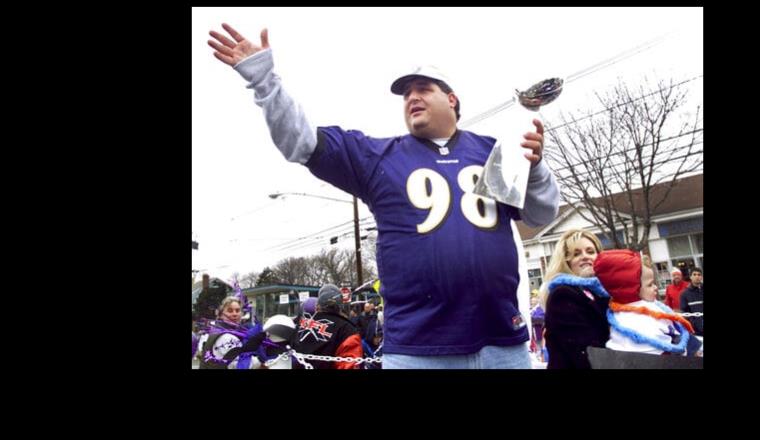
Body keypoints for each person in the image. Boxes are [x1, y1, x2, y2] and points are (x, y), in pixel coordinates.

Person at [208, 24, 560, 369]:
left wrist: (536, 167)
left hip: (502, 343)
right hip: (417, 350)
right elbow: (301, 141)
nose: (412, 98)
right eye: (406, 94)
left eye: (423, 89)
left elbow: (541, 215)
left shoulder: (492, 151)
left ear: (451, 99)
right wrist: (265, 81)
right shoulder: (379, 157)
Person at [592, 249, 694, 355]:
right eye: (650, 285)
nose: (655, 287)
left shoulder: (648, 307)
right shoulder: (636, 321)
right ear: (631, 288)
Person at [540, 229, 610, 369]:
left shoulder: (601, 292)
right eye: (576, 254)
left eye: (590, 252)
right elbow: (583, 351)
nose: (585, 257)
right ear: (566, 261)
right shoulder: (563, 294)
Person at [289, 284, 364, 369]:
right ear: (340, 305)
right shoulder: (348, 330)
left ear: (318, 305)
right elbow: (349, 364)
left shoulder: (299, 323)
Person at [198, 296, 249, 369]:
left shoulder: (218, 330)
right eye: (230, 311)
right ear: (221, 314)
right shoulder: (226, 337)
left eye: (237, 310)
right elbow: (240, 365)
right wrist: (260, 361)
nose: (235, 314)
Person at [679, 267, 703, 336]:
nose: (697, 276)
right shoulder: (684, 294)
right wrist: (694, 323)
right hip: (697, 330)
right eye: (694, 274)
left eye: (699, 274)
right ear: (690, 277)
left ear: (701, 277)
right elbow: (685, 313)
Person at [529, 295, 546, 362]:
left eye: (534, 299)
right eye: (532, 300)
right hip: (534, 330)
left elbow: (542, 318)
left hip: (539, 329)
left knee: (540, 343)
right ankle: (538, 355)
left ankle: (541, 355)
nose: (532, 301)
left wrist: (532, 318)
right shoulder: (532, 309)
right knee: (536, 343)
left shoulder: (540, 308)